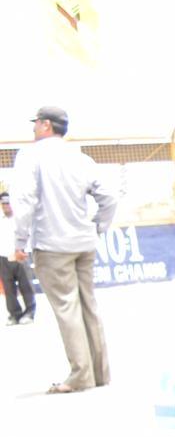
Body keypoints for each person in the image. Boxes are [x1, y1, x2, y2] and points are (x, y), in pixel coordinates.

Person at [11, 106, 116, 393]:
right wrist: (97, 227)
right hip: (84, 242)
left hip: (51, 244)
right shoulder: (80, 157)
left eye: (36, 123)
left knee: (68, 308)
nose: (33, 128)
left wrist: (19, 243)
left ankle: (80, 375)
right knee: (89, 306)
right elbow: (109, 196)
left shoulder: (30, 156)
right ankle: (100, 373)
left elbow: (24, 201)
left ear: (46, 125)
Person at [0, 193, 37, 325]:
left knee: (26, 285)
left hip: (20, 255)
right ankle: (14, 314)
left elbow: (28, 234)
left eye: (8, 203)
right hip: (4, 256)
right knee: (8, 288)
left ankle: (29, 312)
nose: (6, 206)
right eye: (3, 204)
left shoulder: (19, 219)